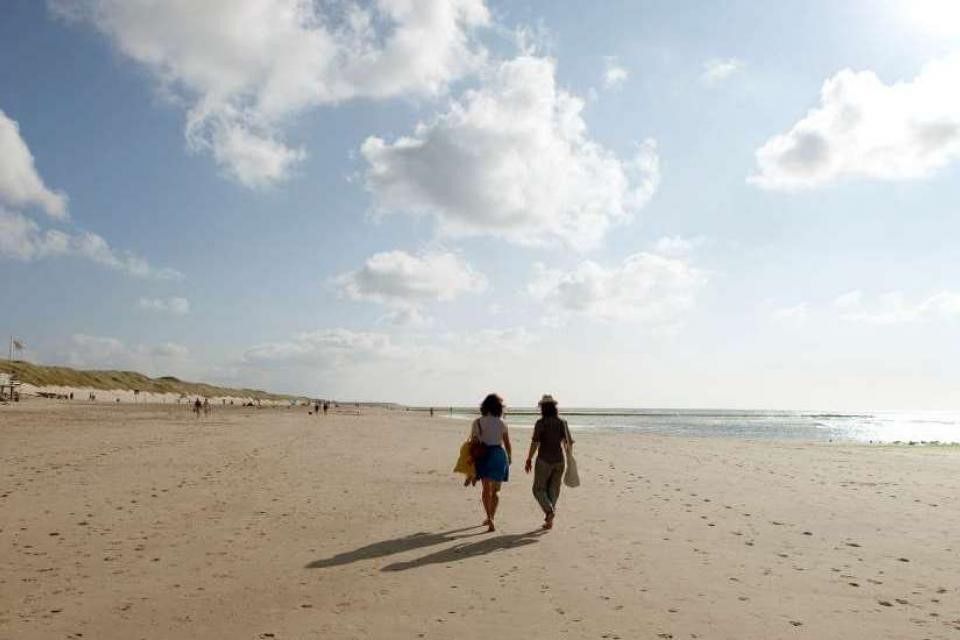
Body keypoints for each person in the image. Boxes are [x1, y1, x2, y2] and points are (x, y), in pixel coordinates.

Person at [524, 394, 573, 530]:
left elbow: (535, 442)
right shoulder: (562, 422)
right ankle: (549, 520)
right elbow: (568, 442)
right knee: (553, 490)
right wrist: (570, 458)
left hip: (544, 460)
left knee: (538, 489)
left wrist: (529, 458)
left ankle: (549, 512)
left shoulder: (541, 423)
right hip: (559, 460)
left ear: (543, 408)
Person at [471, 393, 512, 532]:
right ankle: (492, 517)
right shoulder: (502, 423)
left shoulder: (477, 422)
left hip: (483, 455)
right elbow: (507, 444)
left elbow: (474, 442)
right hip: (499, 455)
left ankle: (490, 518)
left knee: (486, 490)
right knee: (496, 491)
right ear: (499, 407)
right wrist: (509, 458)